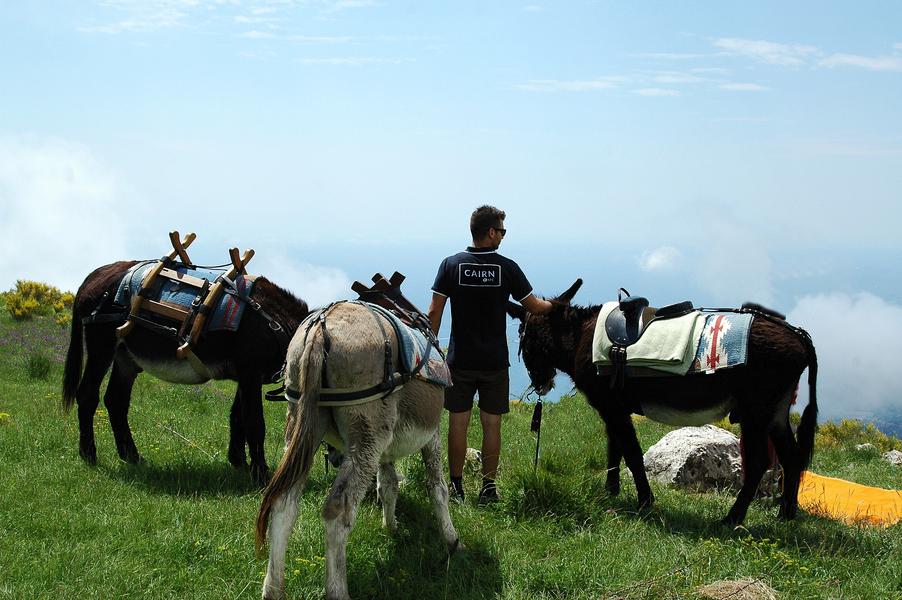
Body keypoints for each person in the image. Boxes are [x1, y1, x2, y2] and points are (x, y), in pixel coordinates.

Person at [428, 205, 552, 504]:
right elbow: (534, 306)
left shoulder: (451, 264)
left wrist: (429, 347)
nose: (503, 238)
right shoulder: (507, 267)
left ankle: (456, 489)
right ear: (491, 232)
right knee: (491, 424)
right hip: (495, 362)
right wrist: (559, 307)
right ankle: (488, 489)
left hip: (459, 361)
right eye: (502, 232)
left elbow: (434, 312)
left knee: (458, 423)